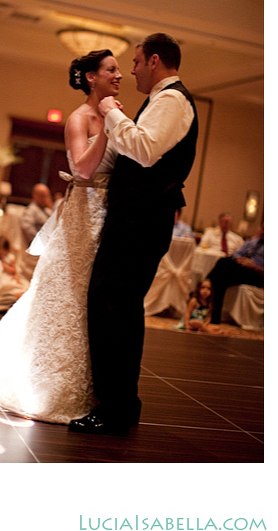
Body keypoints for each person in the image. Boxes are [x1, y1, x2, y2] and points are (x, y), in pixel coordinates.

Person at [0, 48, 121, 424]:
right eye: (111, 69)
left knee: (92, 297)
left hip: (109, 213)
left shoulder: (117, 113)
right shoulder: (79, 118)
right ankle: (46, 380)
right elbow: (81, 168)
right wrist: (111, 126)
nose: (118, 75)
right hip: (84, 212)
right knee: (68, 293)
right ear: (91, 77)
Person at [71, 32, 198, 435]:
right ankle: (119, 405)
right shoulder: (158, 101)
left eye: (137, 61)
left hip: (142, 222)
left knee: (113, 308)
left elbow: (144, 151)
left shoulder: (172, 100)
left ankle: (115, 407)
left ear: (154, 60)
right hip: (134, 219)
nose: (130, 69)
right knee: (117, 309)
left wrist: (110, 112)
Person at [205, 223, 263, 324]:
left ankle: (204, 291)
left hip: (257, 274)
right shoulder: (253, 242)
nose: (263, 232)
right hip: (242, 268)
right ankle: (214, 316)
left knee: (222, 271)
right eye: (262, 229)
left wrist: (254, 266)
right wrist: (240, 259)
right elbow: (236, 253)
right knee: (222, 265)